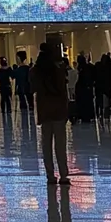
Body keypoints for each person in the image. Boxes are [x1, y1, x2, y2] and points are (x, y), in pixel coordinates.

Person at [30, 45, 70, 185]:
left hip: (45, 111)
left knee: (46, 145)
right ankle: (64, 175)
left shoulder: (36, 72)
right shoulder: (58, 71)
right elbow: (64, 92)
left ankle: (50, 176)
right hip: (59, 111)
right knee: (60, 145)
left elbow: (32, 88)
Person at [75, 56, 95, 123]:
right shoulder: (87, 68)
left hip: (83, 89)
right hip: (87, 89)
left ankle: (84, 116)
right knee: (87, 103)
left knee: (83, 103)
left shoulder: (82, 69)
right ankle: (87, 116)